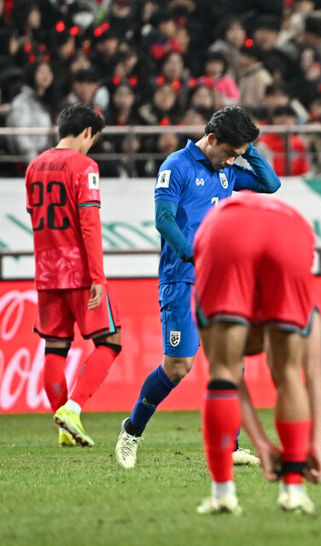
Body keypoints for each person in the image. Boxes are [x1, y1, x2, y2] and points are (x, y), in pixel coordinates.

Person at [114, 106, 282, 470]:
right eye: (230, 152)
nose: (232, 161)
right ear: (212, 139)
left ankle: (230, 446)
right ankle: (131, 431)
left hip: (219, 283)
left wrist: (247, 149)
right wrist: (195, 254)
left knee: (231, 362)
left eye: (239, 155)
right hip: (183, 279)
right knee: (178, 367)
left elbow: (271, 184)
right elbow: (163, 219)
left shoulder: (228, 171)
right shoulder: (176, 166)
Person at [192, 193, 321, 515]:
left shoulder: (220, 229)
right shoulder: (308, 314)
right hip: (291, 230)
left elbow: (228, 377)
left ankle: (223, 492)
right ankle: (293, 490)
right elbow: (314, 375)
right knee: (289, 371)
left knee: (222, 371)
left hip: (224, 229)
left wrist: (262, 444)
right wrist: (314, 444)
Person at [25, 105, 122, 447]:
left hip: (46, 270)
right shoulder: (85, 167)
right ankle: (73, 408)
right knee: (110, 341)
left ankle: (63, 426)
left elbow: (35, 215)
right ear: (86, 133)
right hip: (79, 270)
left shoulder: (34, 166)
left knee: (55, 347)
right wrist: (97, 275)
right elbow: (89, 224)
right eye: (92, 140)